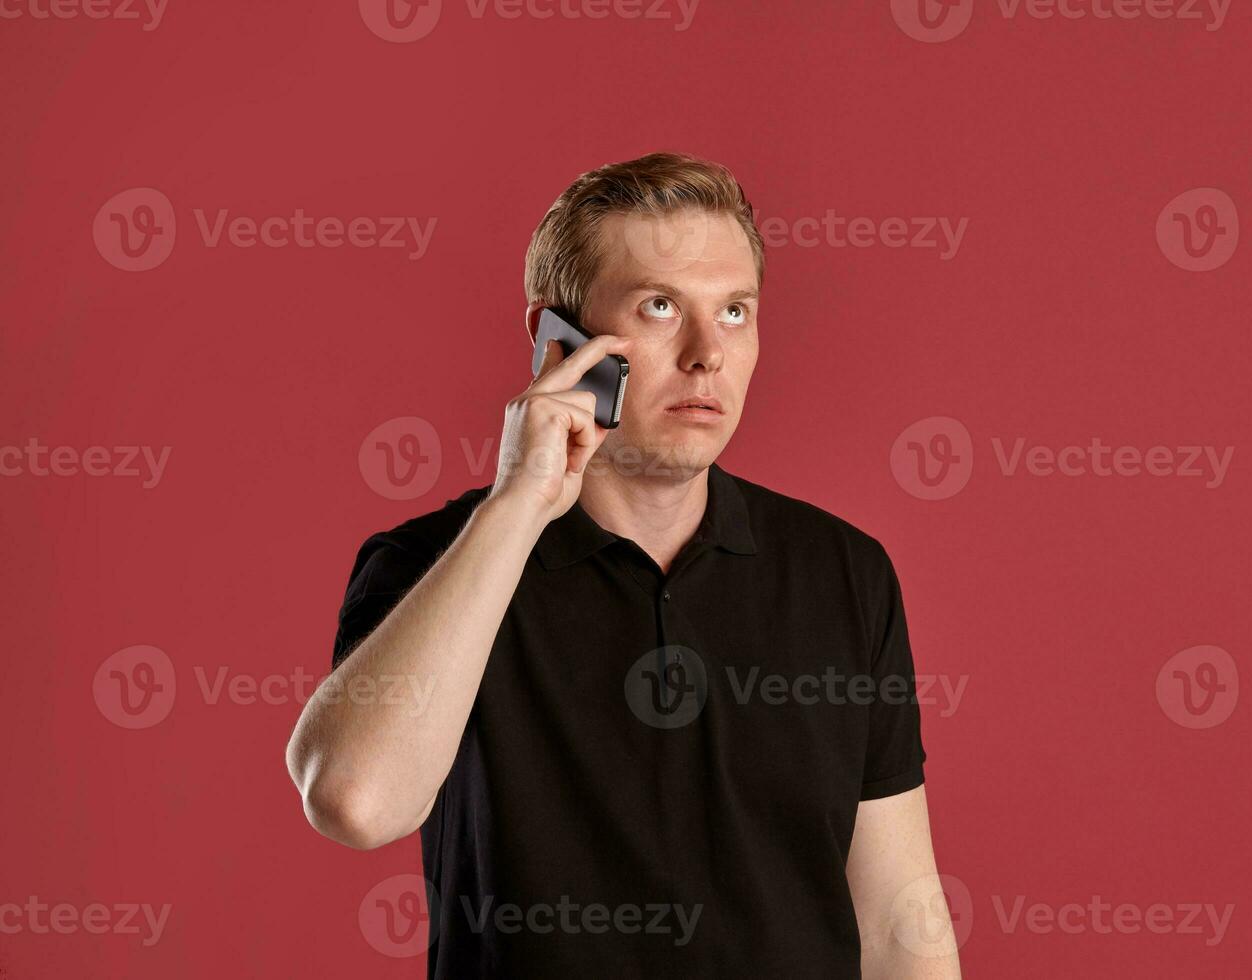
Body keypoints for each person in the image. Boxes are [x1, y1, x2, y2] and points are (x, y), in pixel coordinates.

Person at [285, 151, 961, 978]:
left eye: (737, 311)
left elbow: (900, 921)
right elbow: (354, 802)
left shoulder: (843, 571)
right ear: (558, 338)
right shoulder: (434, 564)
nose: (708, 353)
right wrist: (517, 507)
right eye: (661, 306)